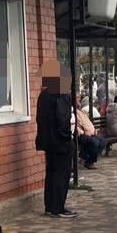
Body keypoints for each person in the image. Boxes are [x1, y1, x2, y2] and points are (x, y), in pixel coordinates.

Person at [35, 59, 79, 219]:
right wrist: (67, 138)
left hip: (47, 142)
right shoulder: (61, 94)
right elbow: (62, 119)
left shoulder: (43, 95)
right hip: (61, 143)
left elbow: (40, 119)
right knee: (62, 174)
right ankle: (58, 208)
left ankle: (50, 207)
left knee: (51, 173)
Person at [74, 95, 106, 169]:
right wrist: (82, 132)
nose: (79, 100)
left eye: (79, 98)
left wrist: (94, 129)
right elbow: (74, 125)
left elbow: (88, 122)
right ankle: (88, 162)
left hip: (90, 133)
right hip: (81, 134)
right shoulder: (72, 111)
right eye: (77, 98)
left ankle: (86, 158)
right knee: (95, 142)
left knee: (103, 141)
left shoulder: (81, 111)